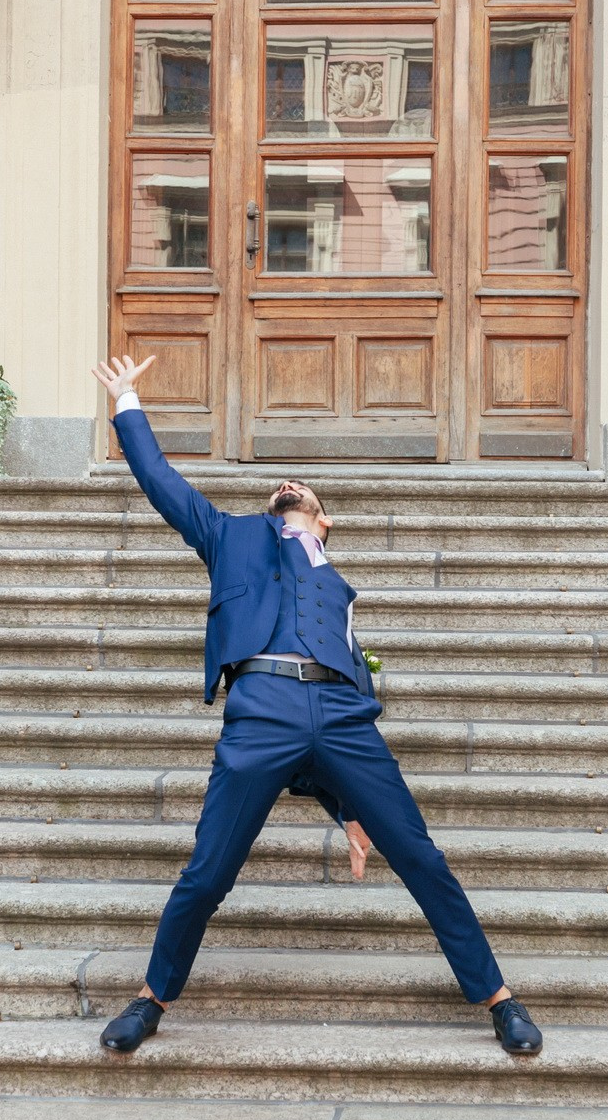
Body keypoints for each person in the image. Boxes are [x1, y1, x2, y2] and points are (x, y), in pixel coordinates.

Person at [91, 353, 543, 1057]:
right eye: (282, 487)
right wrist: (126, 402)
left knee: (422, 858)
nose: (286, 487)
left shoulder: (341, 588)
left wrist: (351, 809)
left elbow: (361, 680)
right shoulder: (230, 536)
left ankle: (498, 998)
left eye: (302, 491)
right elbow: (162, 483)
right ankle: (152, 999)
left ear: (325, 522)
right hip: (261, 707)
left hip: (342, 717)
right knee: (208, 872)